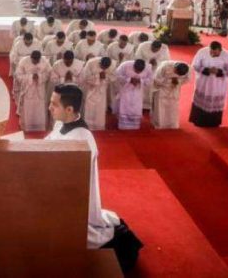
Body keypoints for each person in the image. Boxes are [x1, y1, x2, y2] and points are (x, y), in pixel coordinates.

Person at [45, 84, 142, 274]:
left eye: (53, 104)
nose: (49, 107)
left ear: (70, 109)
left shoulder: (83, 138)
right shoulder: (60, 124)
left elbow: (72, 176)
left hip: (73, 197)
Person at [189, 41, 228, 127]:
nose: (212, 54)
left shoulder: (227, 55)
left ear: (220, 50)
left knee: (215, 102)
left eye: (215, 53)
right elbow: (195, 65)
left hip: (218, 85)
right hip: (203, 82)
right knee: (201, 100)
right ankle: (198, 121)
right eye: (211, 52)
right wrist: (207, 70)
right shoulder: (202, 52)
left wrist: (219, 71)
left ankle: (214, 123)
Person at [15, 50, 51, 131]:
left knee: (39, 108)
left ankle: (39, 126)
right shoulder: (23, 61)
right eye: (34, 61)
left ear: (40, 58)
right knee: (28, 107)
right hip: (28, 88)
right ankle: (28, 126)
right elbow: (18, 75)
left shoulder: (45, 62)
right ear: (31, 58)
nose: (36, 63)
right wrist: (31, 77)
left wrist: (39, 77)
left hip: (40, 88)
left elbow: (49, 74)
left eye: (37, 61)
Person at [115, 59, 153, 130]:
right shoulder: (125, 65)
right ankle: (123, 125)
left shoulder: (148, 68)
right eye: (136, 70)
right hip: (126, 90)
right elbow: (117, 75)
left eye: (139, 71)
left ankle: (134, 125)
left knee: (136, 106)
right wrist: (129, 80)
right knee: (125, 105)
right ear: (134, 66)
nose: (137, 72)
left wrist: (140, 81)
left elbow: (150, 79)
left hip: (138, 91)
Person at [151, 61, 190, 129]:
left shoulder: (188, 69)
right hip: (162, 89)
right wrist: (169, 81)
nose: (176, 74)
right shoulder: (164, 67)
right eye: (176, 72)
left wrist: (178, 81)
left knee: (173, 107)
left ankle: (172, 124)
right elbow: (157, 80)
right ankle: (160, 124)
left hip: (175, 89)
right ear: (174, 67)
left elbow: (187, 79)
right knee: (160, 107)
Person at [135, 40, 171, 110]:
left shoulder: (164, 49)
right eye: (153, 49)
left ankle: (151, 105)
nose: (154, 51)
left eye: (156, 50)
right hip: (143, 69)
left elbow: (167, 62)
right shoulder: (143, 46)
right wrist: (148, 62)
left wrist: (157, 62)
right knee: (144, 87)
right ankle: (141, 104)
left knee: (153, 87)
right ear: (151, 46)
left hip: (156, 70)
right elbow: (137, 58)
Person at [81, 57, 114, 130]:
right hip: (91, 90)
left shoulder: (112, 65)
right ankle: (89, 126)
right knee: (90, 108)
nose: (104, 69)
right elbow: (85, 77)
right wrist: (98, 76)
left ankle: (99, 126)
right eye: (102, 67)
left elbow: (113, 78)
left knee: (100, 109)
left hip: (102, 91)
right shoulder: (91, 63)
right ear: (99, 63)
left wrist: (105, 77)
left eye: (105, 68)